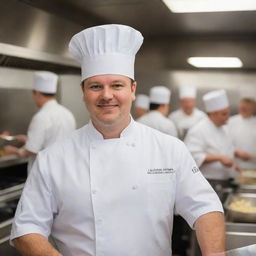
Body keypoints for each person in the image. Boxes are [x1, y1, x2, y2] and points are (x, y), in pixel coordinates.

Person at [10, 24, 225, 256]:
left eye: (117, 85)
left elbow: (206, 208)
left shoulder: (169, 149)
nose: (106, 95)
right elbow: (26, 228)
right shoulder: (52, 158)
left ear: (133, 89)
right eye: (95, 86)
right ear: (83, 92)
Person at [4, 71, 76, 172]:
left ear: (36, 93)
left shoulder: (41, 117)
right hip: (62, 169)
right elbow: (53, 141)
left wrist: (14, 151)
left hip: (44, 174)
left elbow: (30, 151)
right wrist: (27, 140)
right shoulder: (67, 113)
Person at [185, 89, 238, 190]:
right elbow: (192, 157)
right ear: (213, 114)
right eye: (224, 114)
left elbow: (227, 150)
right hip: (206, 182)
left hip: (225, 181)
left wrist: (233, 165)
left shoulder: (224, 128)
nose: (228, 117)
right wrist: (219, 158)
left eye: (228, 113)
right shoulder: (198, 130)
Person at [228, 89, 256, 170]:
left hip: (253, 169)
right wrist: (236, 152)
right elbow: (222, 143)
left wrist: (252, 157)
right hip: (234, 168)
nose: (244, 107)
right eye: (242, 104)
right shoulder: (230, 122)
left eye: (248, 104)